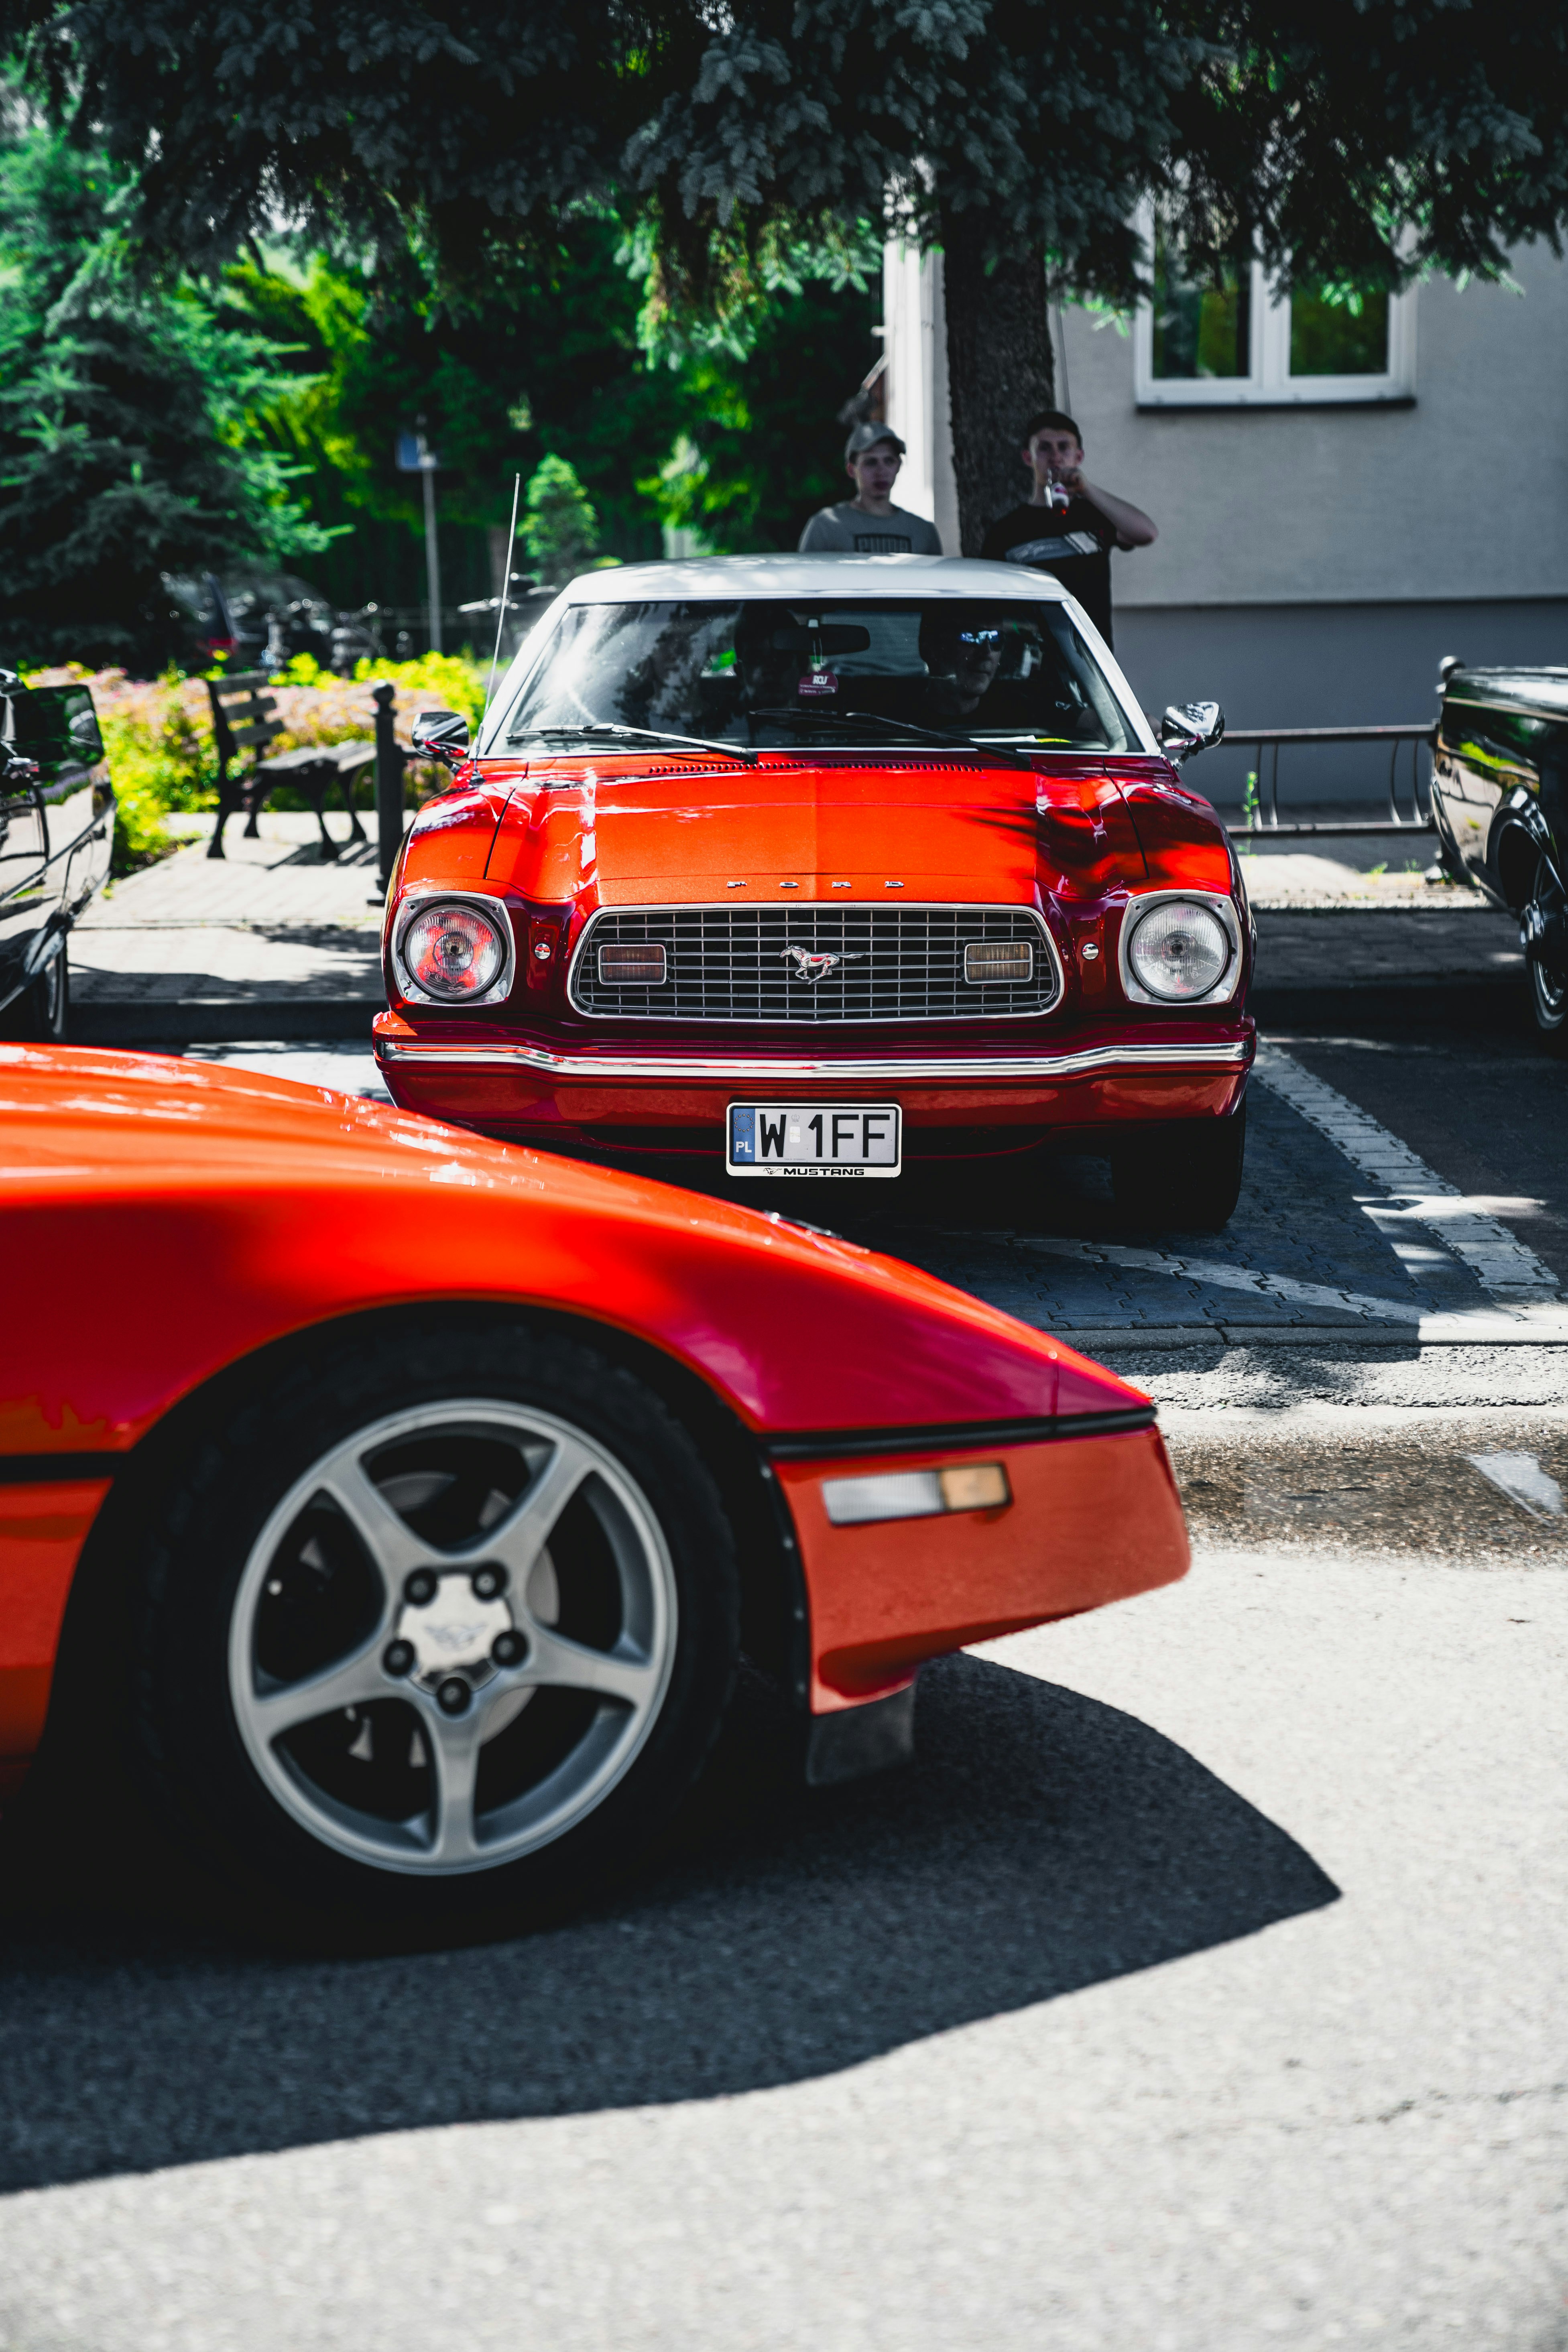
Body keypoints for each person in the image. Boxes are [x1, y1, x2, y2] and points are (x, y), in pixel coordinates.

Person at [980, 410, 1155, 646]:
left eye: (1064, 448)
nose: (1055, 457)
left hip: (1090, 658)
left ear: (1079, 457)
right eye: (1044, 448)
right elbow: (989, 606)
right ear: (1028, 457)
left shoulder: (1095, 516)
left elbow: (1146, 533)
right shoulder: (1006, 532)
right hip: (1032, 662)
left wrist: (1086, 490)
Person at [798, 424, 943, 556]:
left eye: (889, 461)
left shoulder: (923, 532)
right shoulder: (826, 527)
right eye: (871, 462)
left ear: (899, 466)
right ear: (851, 470)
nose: (881, 472)